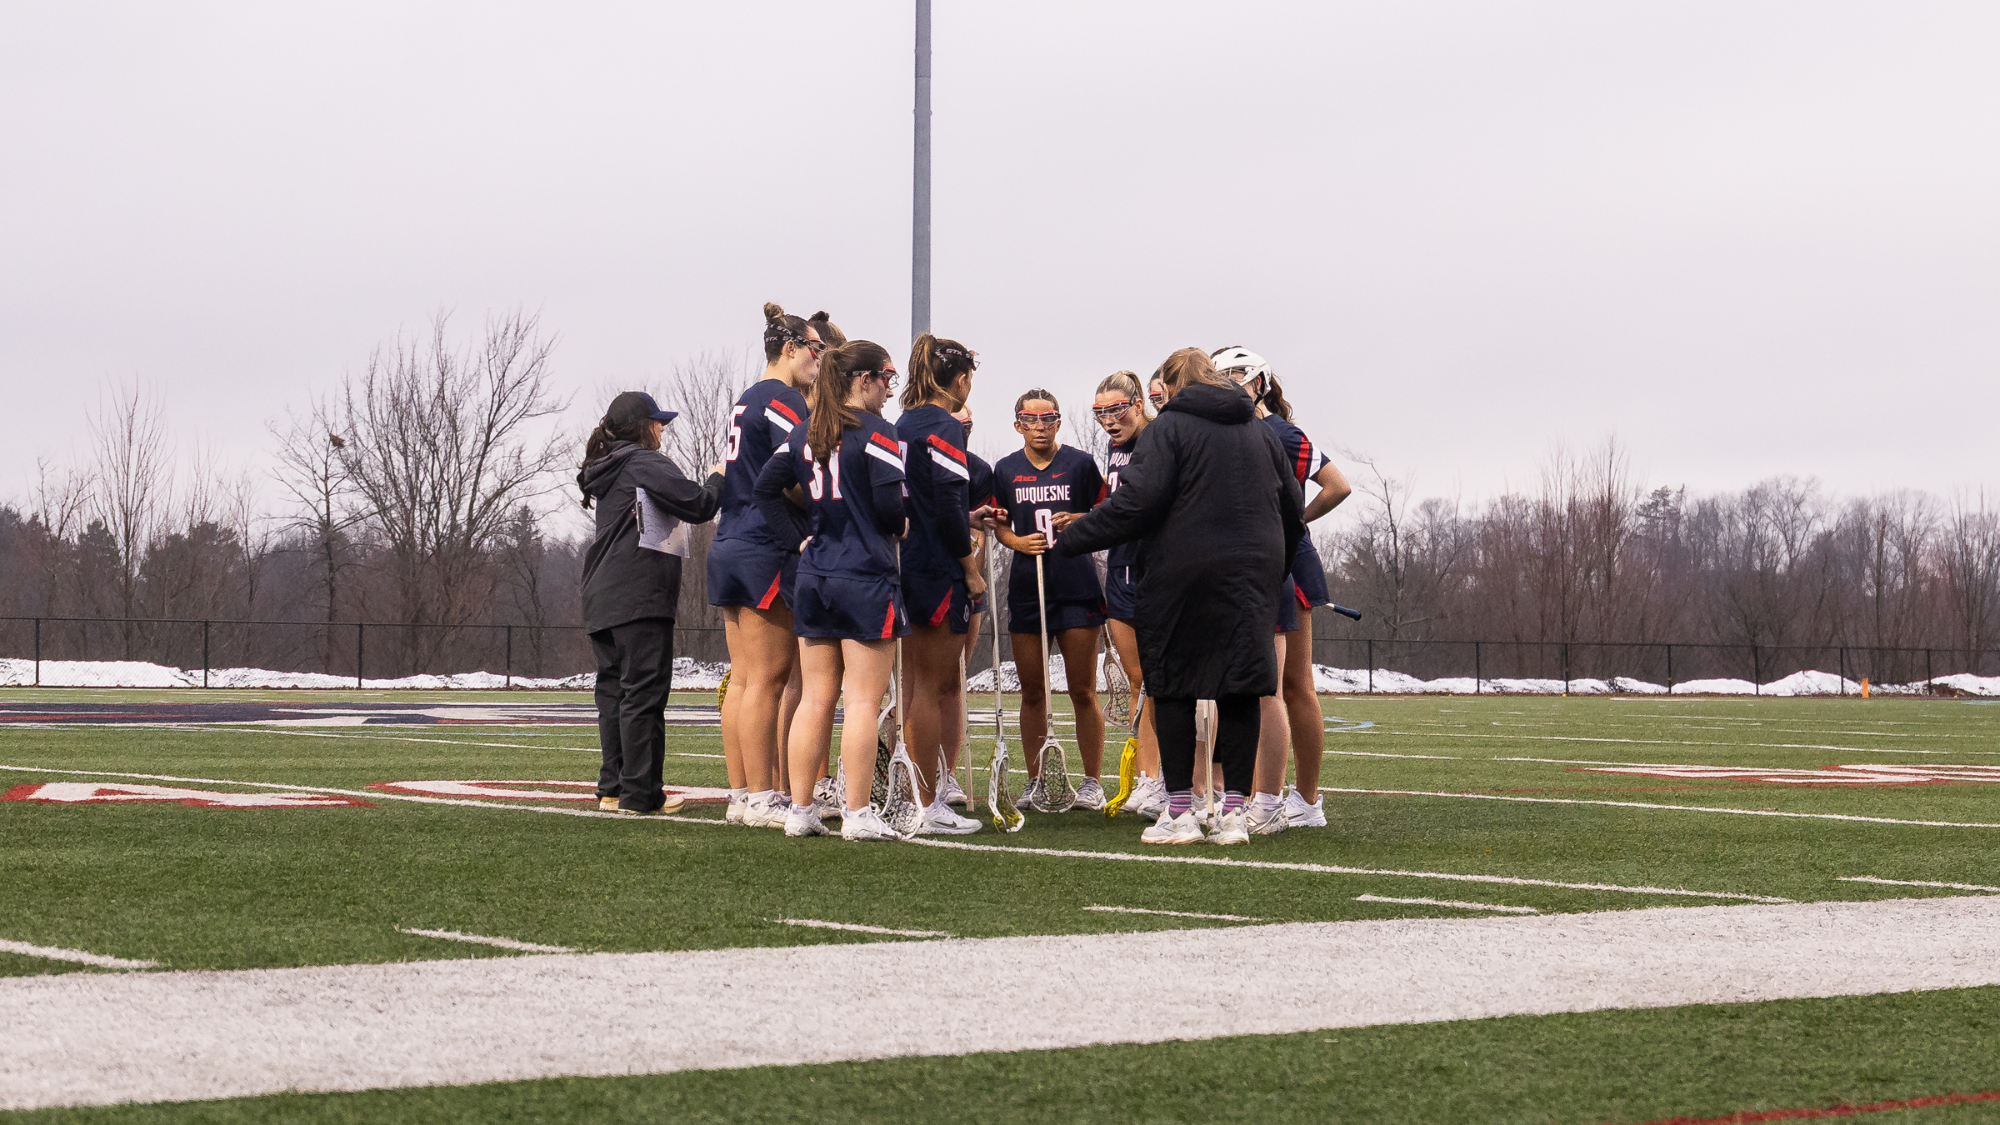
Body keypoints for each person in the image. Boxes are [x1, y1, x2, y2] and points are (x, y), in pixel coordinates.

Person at [1055, 348, 1304, 845]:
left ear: (1170, 387)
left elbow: (1137, 503)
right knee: (1240, 687)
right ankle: (1235, 813)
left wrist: (1074, 538)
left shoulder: (1168, 428)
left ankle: (1180, 812)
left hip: (1182, 574)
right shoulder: (1260, 430)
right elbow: (1292, 508)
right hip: (1252, 575)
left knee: (1172, 687)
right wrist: (1272, 567)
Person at [752, 341, 909, 841]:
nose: (888, 388)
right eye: (885, 378)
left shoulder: (804, 431)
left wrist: (797, 539)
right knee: (861, 701)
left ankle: (800, 809)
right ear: (862, 380)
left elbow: (764, 489)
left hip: (816, 573)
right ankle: (858, 813)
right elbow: (889, 509)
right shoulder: (878, 432)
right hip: (865, 573)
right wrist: (902, 523)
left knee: (816, 698)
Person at [1212, 346, 1353, 833]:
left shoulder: (1281, 432)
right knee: (1273, 686)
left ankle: (1305, 799)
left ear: (1258, 382)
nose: (1228, 384)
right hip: (1263, 562)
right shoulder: (1235, 431)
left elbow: (1337, 485)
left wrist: (1296, 521)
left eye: (1236, 375)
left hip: (1286, 564)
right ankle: (1275, 796)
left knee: (1291, 686)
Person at [577, 391, 725, 815]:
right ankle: (641, 795)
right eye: (657, 422)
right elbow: (699, 504)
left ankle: (613, 789)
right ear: (642, 427)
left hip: (601, 595)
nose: (662, 429)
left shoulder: (608, 467)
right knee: (643, 694)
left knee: (614, 695)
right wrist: (718, 477)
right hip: (639, 595)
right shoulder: (642, 462)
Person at [710, 302, 821, 829]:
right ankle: (760, 797)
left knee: (743, 679)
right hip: (763, 542)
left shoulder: (746, 397)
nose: (819, 360)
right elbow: (796, 473)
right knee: (765, 680)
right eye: (814, 349)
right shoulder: (783, 398)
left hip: (730, 539)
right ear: (790, 348)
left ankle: (741, 794)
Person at [992, 390, 1107, 810]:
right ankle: (1035, 779)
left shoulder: (1080, 463)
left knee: (1082, 690)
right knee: (1033, 691)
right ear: (1018, 424)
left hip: (1076, 584)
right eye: (1031, 419)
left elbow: (1108, 511)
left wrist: (1080, 519)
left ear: (1058, 422)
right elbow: (999, 525)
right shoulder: (1005, 469)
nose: (1039, 427)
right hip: (1028, 587)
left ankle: (1092, 781)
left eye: (1048, 419)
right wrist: (1017, 542)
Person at [891, 336, 986, 834]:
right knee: (930, 689)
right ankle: (927, 803)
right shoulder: (945, 425)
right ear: (961, 379)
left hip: (906, 563)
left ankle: (910, 796)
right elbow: (948, 507)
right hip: (936, 568)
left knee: (911, 690)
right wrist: (970, 567)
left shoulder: (901, 424)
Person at [1090, 371, 1165, 817]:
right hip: (1120, 568)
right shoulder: (1114, 447)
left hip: (1156, 568)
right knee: (1139, 680)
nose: (1109, 420)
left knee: (1159, 680)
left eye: (1117, 409)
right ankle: (1146, 777)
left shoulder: (1159, 438)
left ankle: (1160, 777)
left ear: (1138, 404)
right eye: (1100, 412)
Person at [942, 404, 994, 805]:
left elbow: (980, 532)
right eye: (957, 424)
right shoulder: (916, 450)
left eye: (969, 425)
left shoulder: (978, 470)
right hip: (926, 578)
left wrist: (972, 575)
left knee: (953, 679)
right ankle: (910, 769)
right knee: (912, 685)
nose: (963, 431)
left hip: (966, 582)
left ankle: (947, 772)